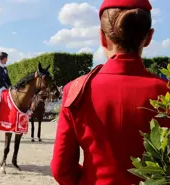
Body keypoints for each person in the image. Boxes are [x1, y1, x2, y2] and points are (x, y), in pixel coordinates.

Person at [50, 0, 170, 185]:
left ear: (102, 37)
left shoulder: (77, 90)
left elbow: (61, 169)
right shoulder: (165, 91)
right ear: (149, 38)